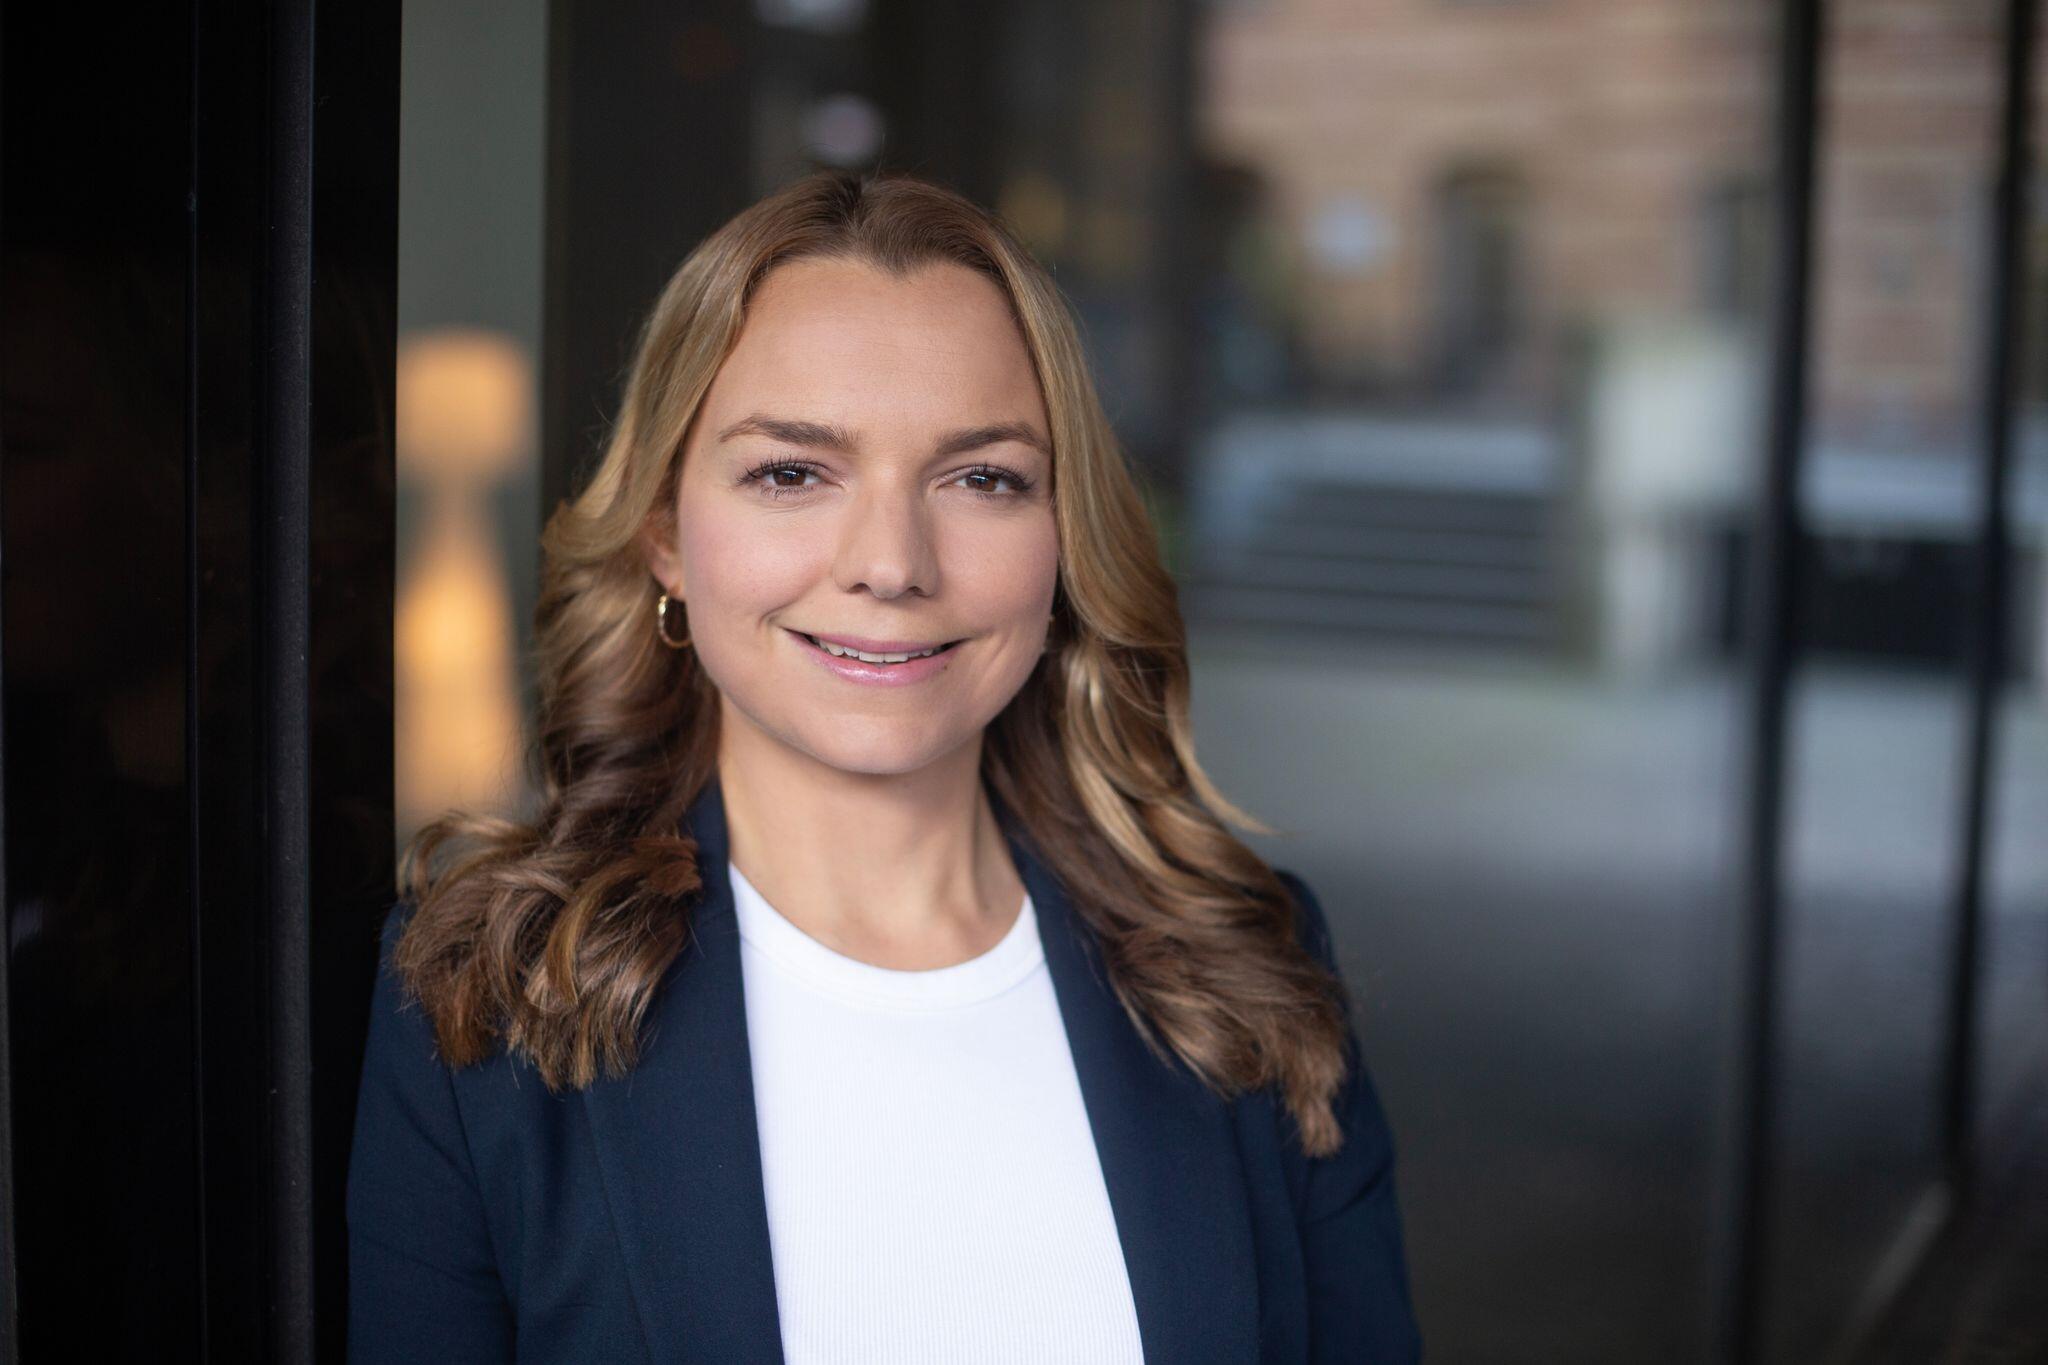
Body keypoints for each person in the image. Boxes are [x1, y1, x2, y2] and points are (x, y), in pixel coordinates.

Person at [346, 168, 1421, 1364]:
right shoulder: (483, 993)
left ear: (1064, 540)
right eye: (791, 473)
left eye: (982, 479)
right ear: (664, 534)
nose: (891, 564)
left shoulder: (1248, 967)